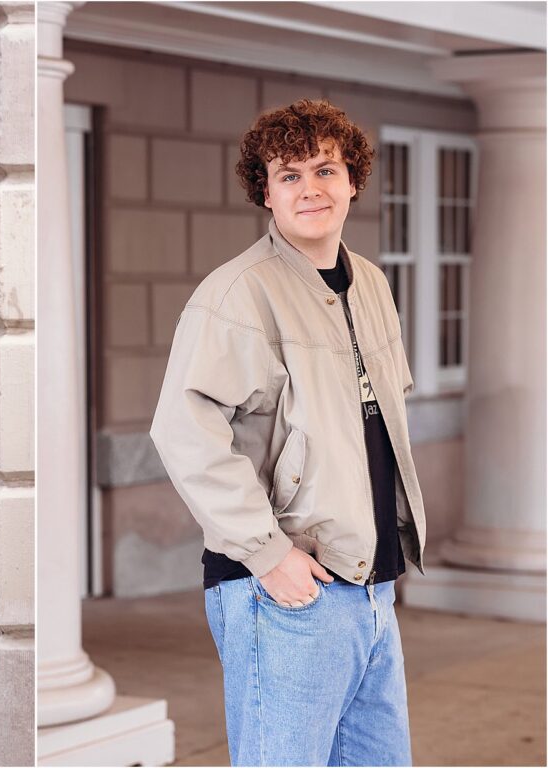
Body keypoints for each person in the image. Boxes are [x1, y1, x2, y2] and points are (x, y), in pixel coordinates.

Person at [150, 99, 427, 766]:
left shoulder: (373, 287)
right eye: (290, 175)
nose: (312, 189)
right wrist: (269, 555)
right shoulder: (238, 292)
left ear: (353, 181)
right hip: (287, 593)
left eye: (326, 170)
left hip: (371, 591)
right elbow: (183, 429)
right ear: (265, 192)